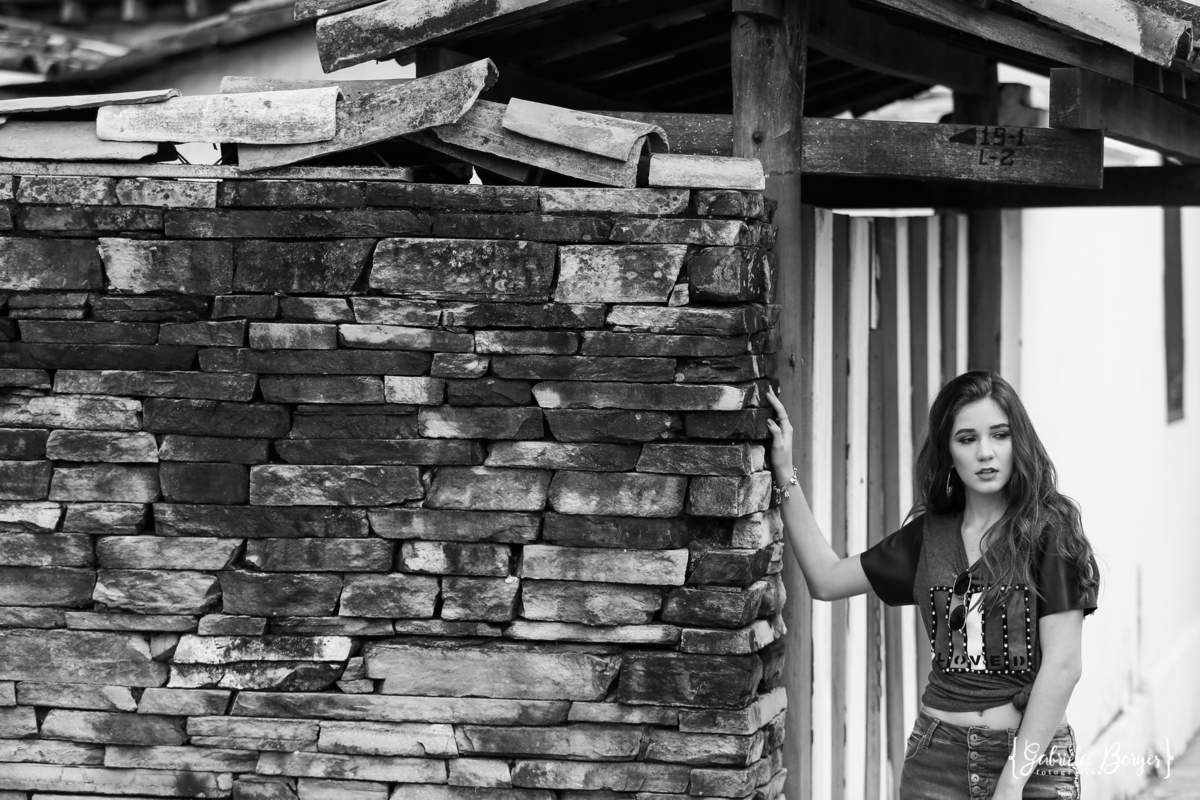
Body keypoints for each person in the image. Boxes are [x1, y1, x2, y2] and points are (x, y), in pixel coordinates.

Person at [764, 370, 1100, 800]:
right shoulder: (928, 538)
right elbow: (826, 579)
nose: (985, 452)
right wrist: (785, 472)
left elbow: (1065, 666)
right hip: (937, 763)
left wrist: (1012, 782)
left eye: (999, 435)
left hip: (1031, 766)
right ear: (948, 451)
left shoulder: (1049, 530)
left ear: (1018, 442)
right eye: (967, 439)